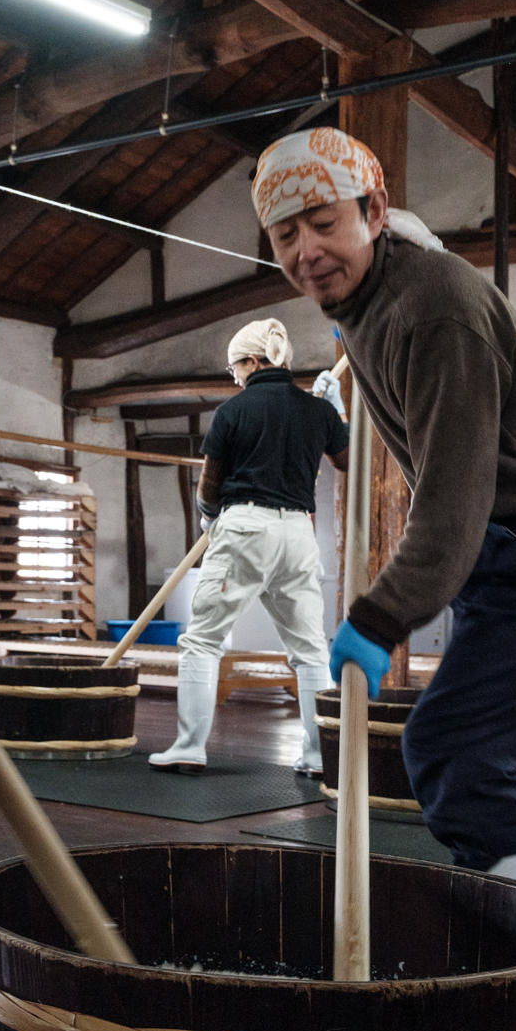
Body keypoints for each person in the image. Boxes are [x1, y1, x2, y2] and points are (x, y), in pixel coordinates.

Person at [255, 124, 516, 1031]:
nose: (306, 250)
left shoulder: (434, 310)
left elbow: (452, 502)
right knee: (493, 765)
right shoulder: (373, 298)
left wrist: (380, 615)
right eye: (285, 235)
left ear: (374, 211)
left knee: (455, 755)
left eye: (324, 222)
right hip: (512, 545)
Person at [150, 318, 347, 774]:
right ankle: (318, 757)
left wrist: (208, 515)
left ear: (254, 362)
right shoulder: (317, 410)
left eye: (235, 366)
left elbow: (210, 481)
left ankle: (189, 747)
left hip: (244, 526)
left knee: (203, 640)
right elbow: (347, 460)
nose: (234, 375)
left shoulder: (233, 411)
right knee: (310, 650)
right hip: (298, 532)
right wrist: (337, 414)